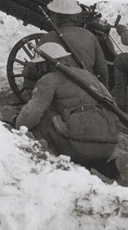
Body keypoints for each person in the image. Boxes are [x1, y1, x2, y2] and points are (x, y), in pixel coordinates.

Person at [15, 42, 119, 175]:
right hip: (107, 148)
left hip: (80, 151)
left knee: (43, 116)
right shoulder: (86, 75)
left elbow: (30, 116)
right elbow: (111, 103)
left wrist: (17, 122)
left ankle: (48, 164)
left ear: (45, 64)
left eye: (39, 64)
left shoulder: (49, 80)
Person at [36, 0, 109, 87]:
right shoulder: (90, 36)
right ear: (76, 16)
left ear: (53, 16)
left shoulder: (45, 39)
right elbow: (102, 69)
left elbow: (31, 72)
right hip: (88, 91)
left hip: (58, 93)